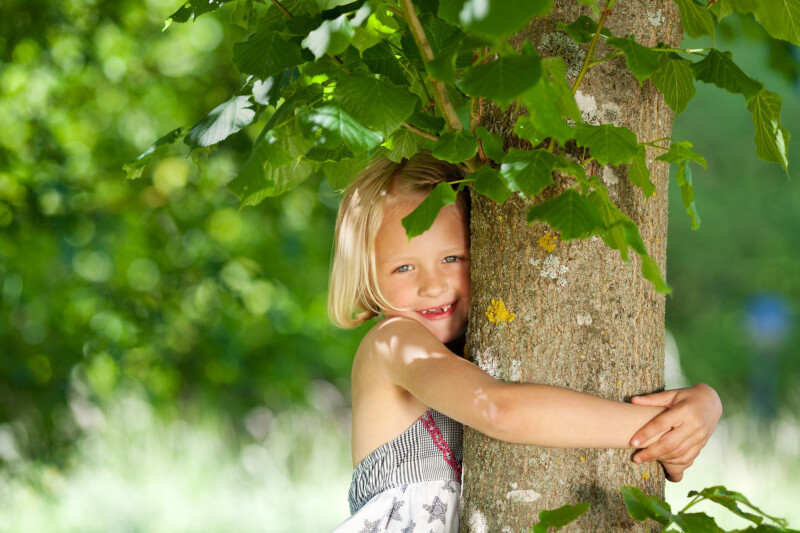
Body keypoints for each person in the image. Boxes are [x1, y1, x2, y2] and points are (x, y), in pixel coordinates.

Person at [328, 153, 722, 532]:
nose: (432, 286)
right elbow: (499, 410)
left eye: (453, 258)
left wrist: (705, 404)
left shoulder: (472, 352)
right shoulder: (394, 342)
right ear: (367, 276)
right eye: (404, 267)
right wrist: (667, 429)